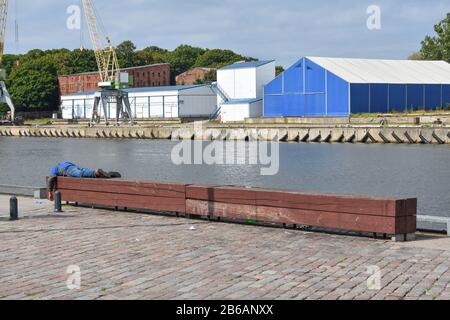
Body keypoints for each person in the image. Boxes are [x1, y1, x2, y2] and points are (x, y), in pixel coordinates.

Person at [47, 162, 121, 201]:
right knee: (84, 171)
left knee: (80, 174)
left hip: (68, 170)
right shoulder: (64, 163)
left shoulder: (55, 168)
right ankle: (109, 174)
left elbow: (51, 178)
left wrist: (50, 192)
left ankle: (95, 173)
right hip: (74, 166)